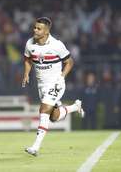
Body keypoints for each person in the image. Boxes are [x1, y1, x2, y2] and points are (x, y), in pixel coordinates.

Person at [22, 17, 85, 156]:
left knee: (44, 110)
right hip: (42, 85)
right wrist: (26, 73)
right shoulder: (30, 43)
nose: (35, 30)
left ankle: (36, 146)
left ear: (46, 31)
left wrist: (61, 77)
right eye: (35, 27)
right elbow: (27, 59)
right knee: (54, 117)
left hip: (56, 83)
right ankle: (75, 107)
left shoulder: (56, 45)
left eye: (39, 28)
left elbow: (70, 62)